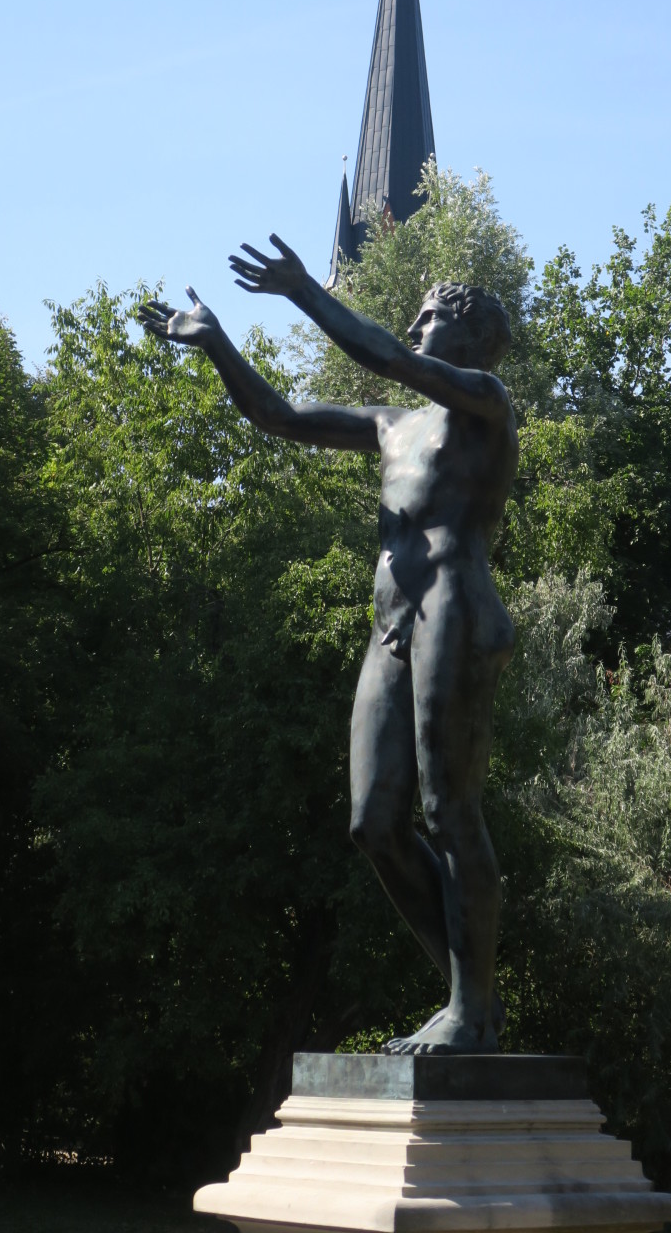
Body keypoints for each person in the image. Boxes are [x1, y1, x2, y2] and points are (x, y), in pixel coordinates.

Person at [140, 234, 518, 1052]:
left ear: (471, 336)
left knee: (448, 810)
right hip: (392, 624)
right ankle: (474, 1005)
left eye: (428, 316)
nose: (414, 327)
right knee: (373, 823)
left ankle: (468, 1010)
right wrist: (217, 344)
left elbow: (387, 357)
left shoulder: (485, 402)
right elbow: (277, 416)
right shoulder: (393, 427)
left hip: (454, 608)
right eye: (415, 317)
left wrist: (304, 290)